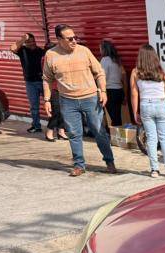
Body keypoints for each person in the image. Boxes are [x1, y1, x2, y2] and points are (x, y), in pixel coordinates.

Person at [43, 24, 116, 177]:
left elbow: (99, 73)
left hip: (90, 98)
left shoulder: (84, 51)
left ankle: (109, 161)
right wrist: (47, 100)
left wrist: (103, 91)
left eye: (75, 37)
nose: (74, 41)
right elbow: (47, 79)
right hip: (68, 101)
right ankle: (79, 165)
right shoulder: (51, 55)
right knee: (74, 134)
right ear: (59, 40)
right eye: (70, 39)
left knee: (98, 131)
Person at [130, 44, 165, 178]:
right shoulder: (162, 73)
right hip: (162, 105)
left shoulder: (135, 72)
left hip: (146, 105)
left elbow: (134, 94)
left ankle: (154, 170)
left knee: (151, 139)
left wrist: (135, 112)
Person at [10, 33, 46, 133]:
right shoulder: (23, 50)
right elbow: (12, 48)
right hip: (30, 83)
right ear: (25, 43)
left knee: (49, 104)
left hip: (43, 82)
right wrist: (22, 39)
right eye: (29, 42)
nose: (32, 43)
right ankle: (36, 126)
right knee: (34, 106)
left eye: (33, 41)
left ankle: (55, 126)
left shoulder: (41, 51)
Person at [99, 40, 126, 126]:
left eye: (100, 49)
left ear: (104, 50)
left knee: (114, 117)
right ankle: (118, 136)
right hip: (119, 91)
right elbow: (123, 76)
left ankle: (117, 137)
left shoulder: (104, 60)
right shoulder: (117, 60)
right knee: (117, 116)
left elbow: (102, 76)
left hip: (110, 92)